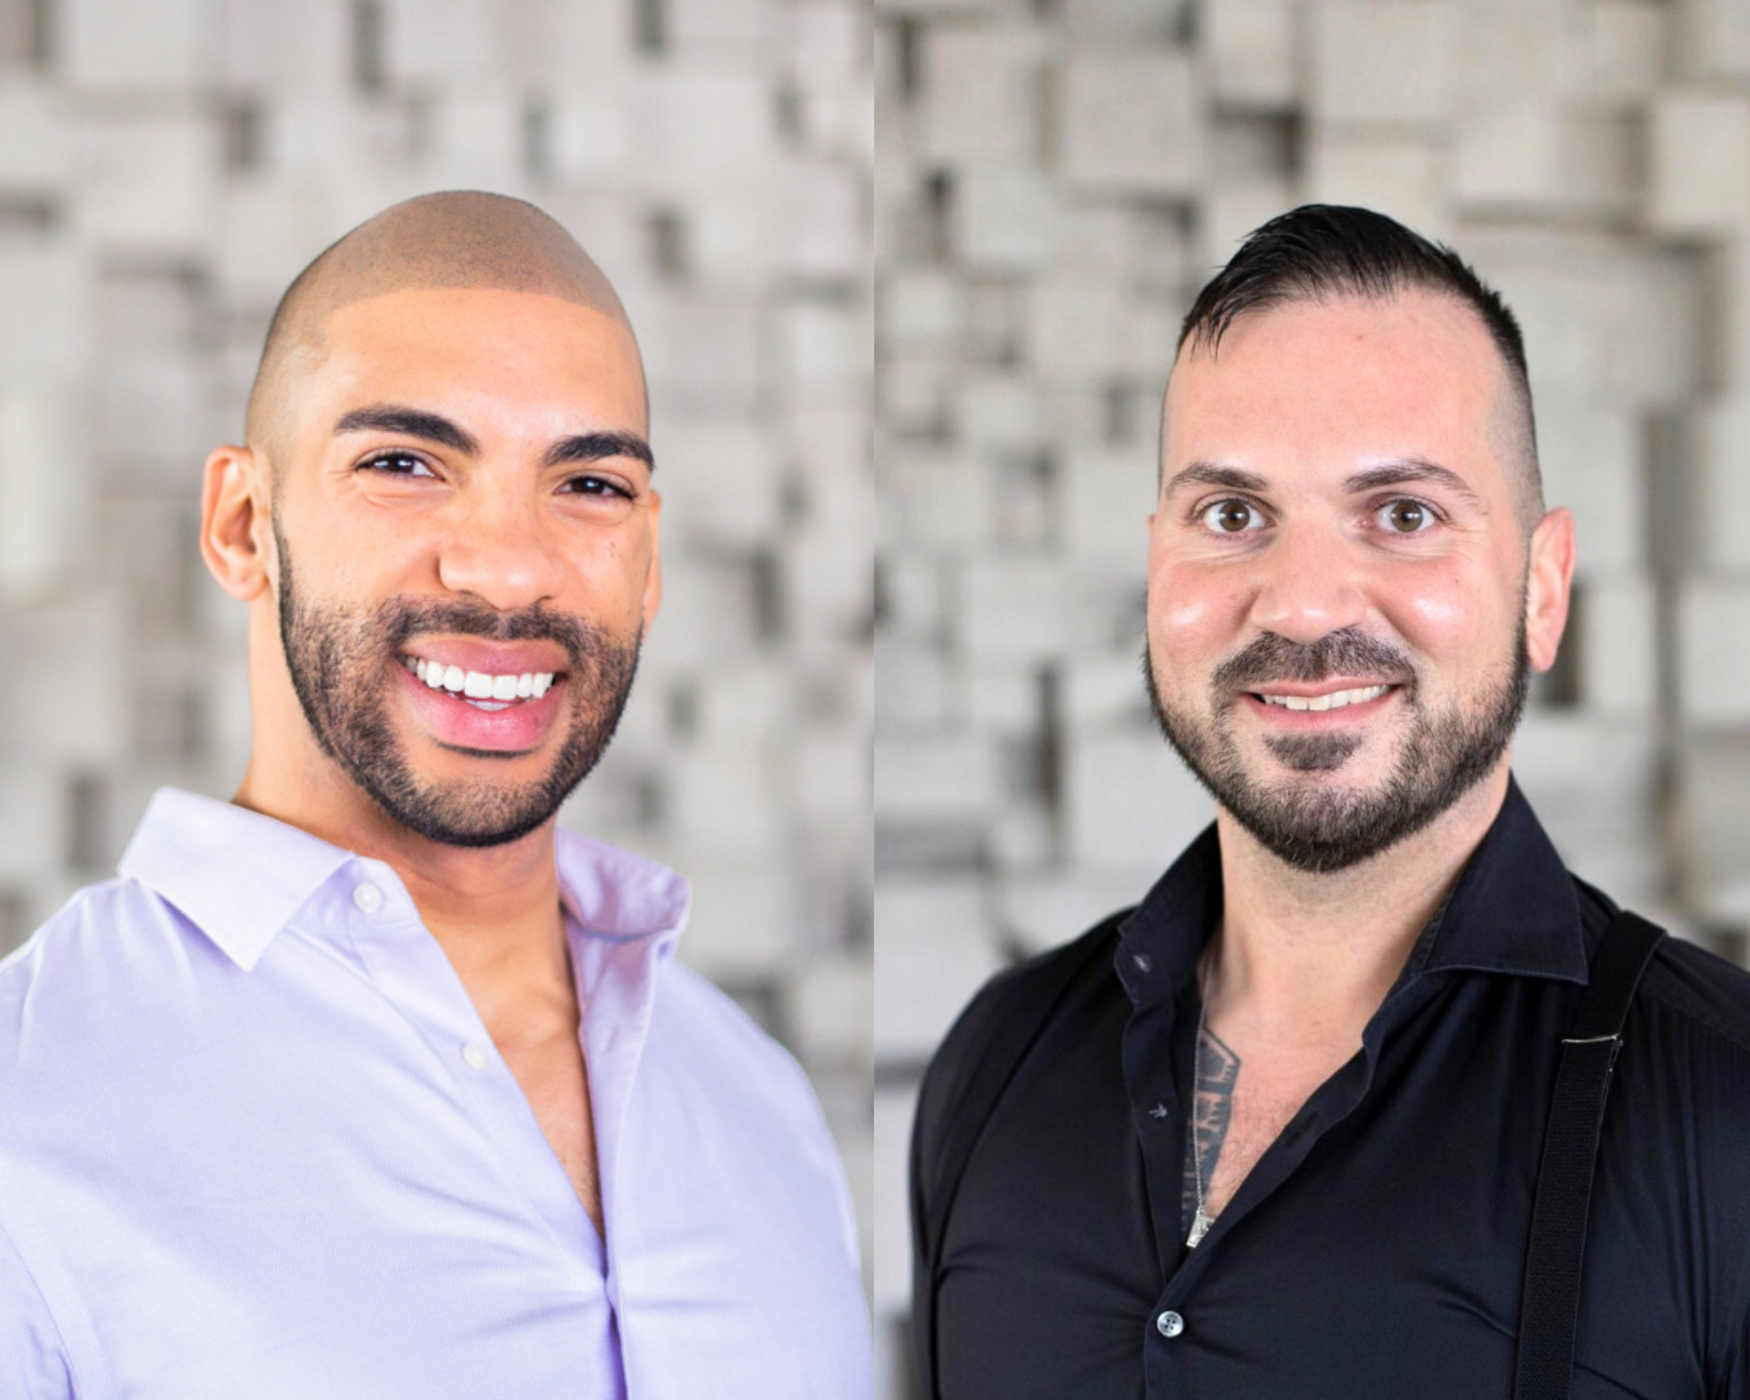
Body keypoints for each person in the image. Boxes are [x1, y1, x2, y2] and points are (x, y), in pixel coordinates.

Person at [0, 192, 872, 1399]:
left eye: (591, 485)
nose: (508, 565)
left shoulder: (759, 1100)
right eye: (404, 463)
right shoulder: (29, 1098)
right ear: (244, 523)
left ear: (651, 556)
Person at [910, 205, 1750, 1399]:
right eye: (1232, 515)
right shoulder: (993, 1066)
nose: (1301, 606)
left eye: (1403, 514)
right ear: (1157, 570)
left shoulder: (1721, 1112)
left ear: (1542, 587)